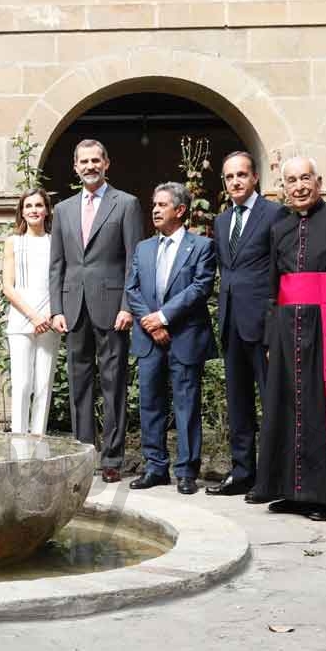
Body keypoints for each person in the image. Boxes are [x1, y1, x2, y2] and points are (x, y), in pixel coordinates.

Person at [252, 156, 326, 520]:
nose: (300, 186)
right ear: (283, 188)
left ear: (318, 182)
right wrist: (270, 338)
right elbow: (273, 289)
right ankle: (292, 490)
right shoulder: (279, 227)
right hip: (288, 331)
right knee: (288, 407)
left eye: (306, 178)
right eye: (292, 181)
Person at [49, 139, 144, 483]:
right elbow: (57, 264)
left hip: (112, 307)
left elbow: (134, 260)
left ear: (107, 163)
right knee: (79, 383)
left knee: (113, 383)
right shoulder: (63, 210)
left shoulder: (127, 204)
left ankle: (113, 458)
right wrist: (57, 308)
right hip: (73, 308)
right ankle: (83, 452)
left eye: (95, 160)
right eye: (83, 161)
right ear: (75, 167)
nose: (89, 166)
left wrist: (127, 306)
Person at [125, 183, 217, 494]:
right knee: (150, 404)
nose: (155, 209)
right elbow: (132, 289)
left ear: (180, 210)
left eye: (162, 204)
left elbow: (200, 288)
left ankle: (187, 472)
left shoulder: (202, 246)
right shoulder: (143, 248)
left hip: (185, 336)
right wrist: (152, 324)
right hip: (149, 337)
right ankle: (155, 468)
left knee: (186, 405)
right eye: (154, 204)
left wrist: (163, 317)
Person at [207, 151, 287, 498]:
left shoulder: (275, 214)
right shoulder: (222, 221)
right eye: (229, 177)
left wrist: (274, 328)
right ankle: (242, 472)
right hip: (231, 322)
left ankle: (273, 477)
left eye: (241, 175)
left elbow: (280, 273)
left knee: (272, 402)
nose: (235, 182)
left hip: (263, 324)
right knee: (238, 403)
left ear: (255, 178)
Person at [2, 188, 60, 435]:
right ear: (22, 211)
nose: (34, 210)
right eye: (28, 206)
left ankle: (38, 439)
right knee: (23, 383)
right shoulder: (13, 242)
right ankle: (18, 440)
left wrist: (49, 315)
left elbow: (60, 280)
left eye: (38, 205)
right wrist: (33, 316)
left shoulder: (55, 241)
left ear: (46, 210)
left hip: (49, 319)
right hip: (21, 319)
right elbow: (8, 286)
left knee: (44, 384)